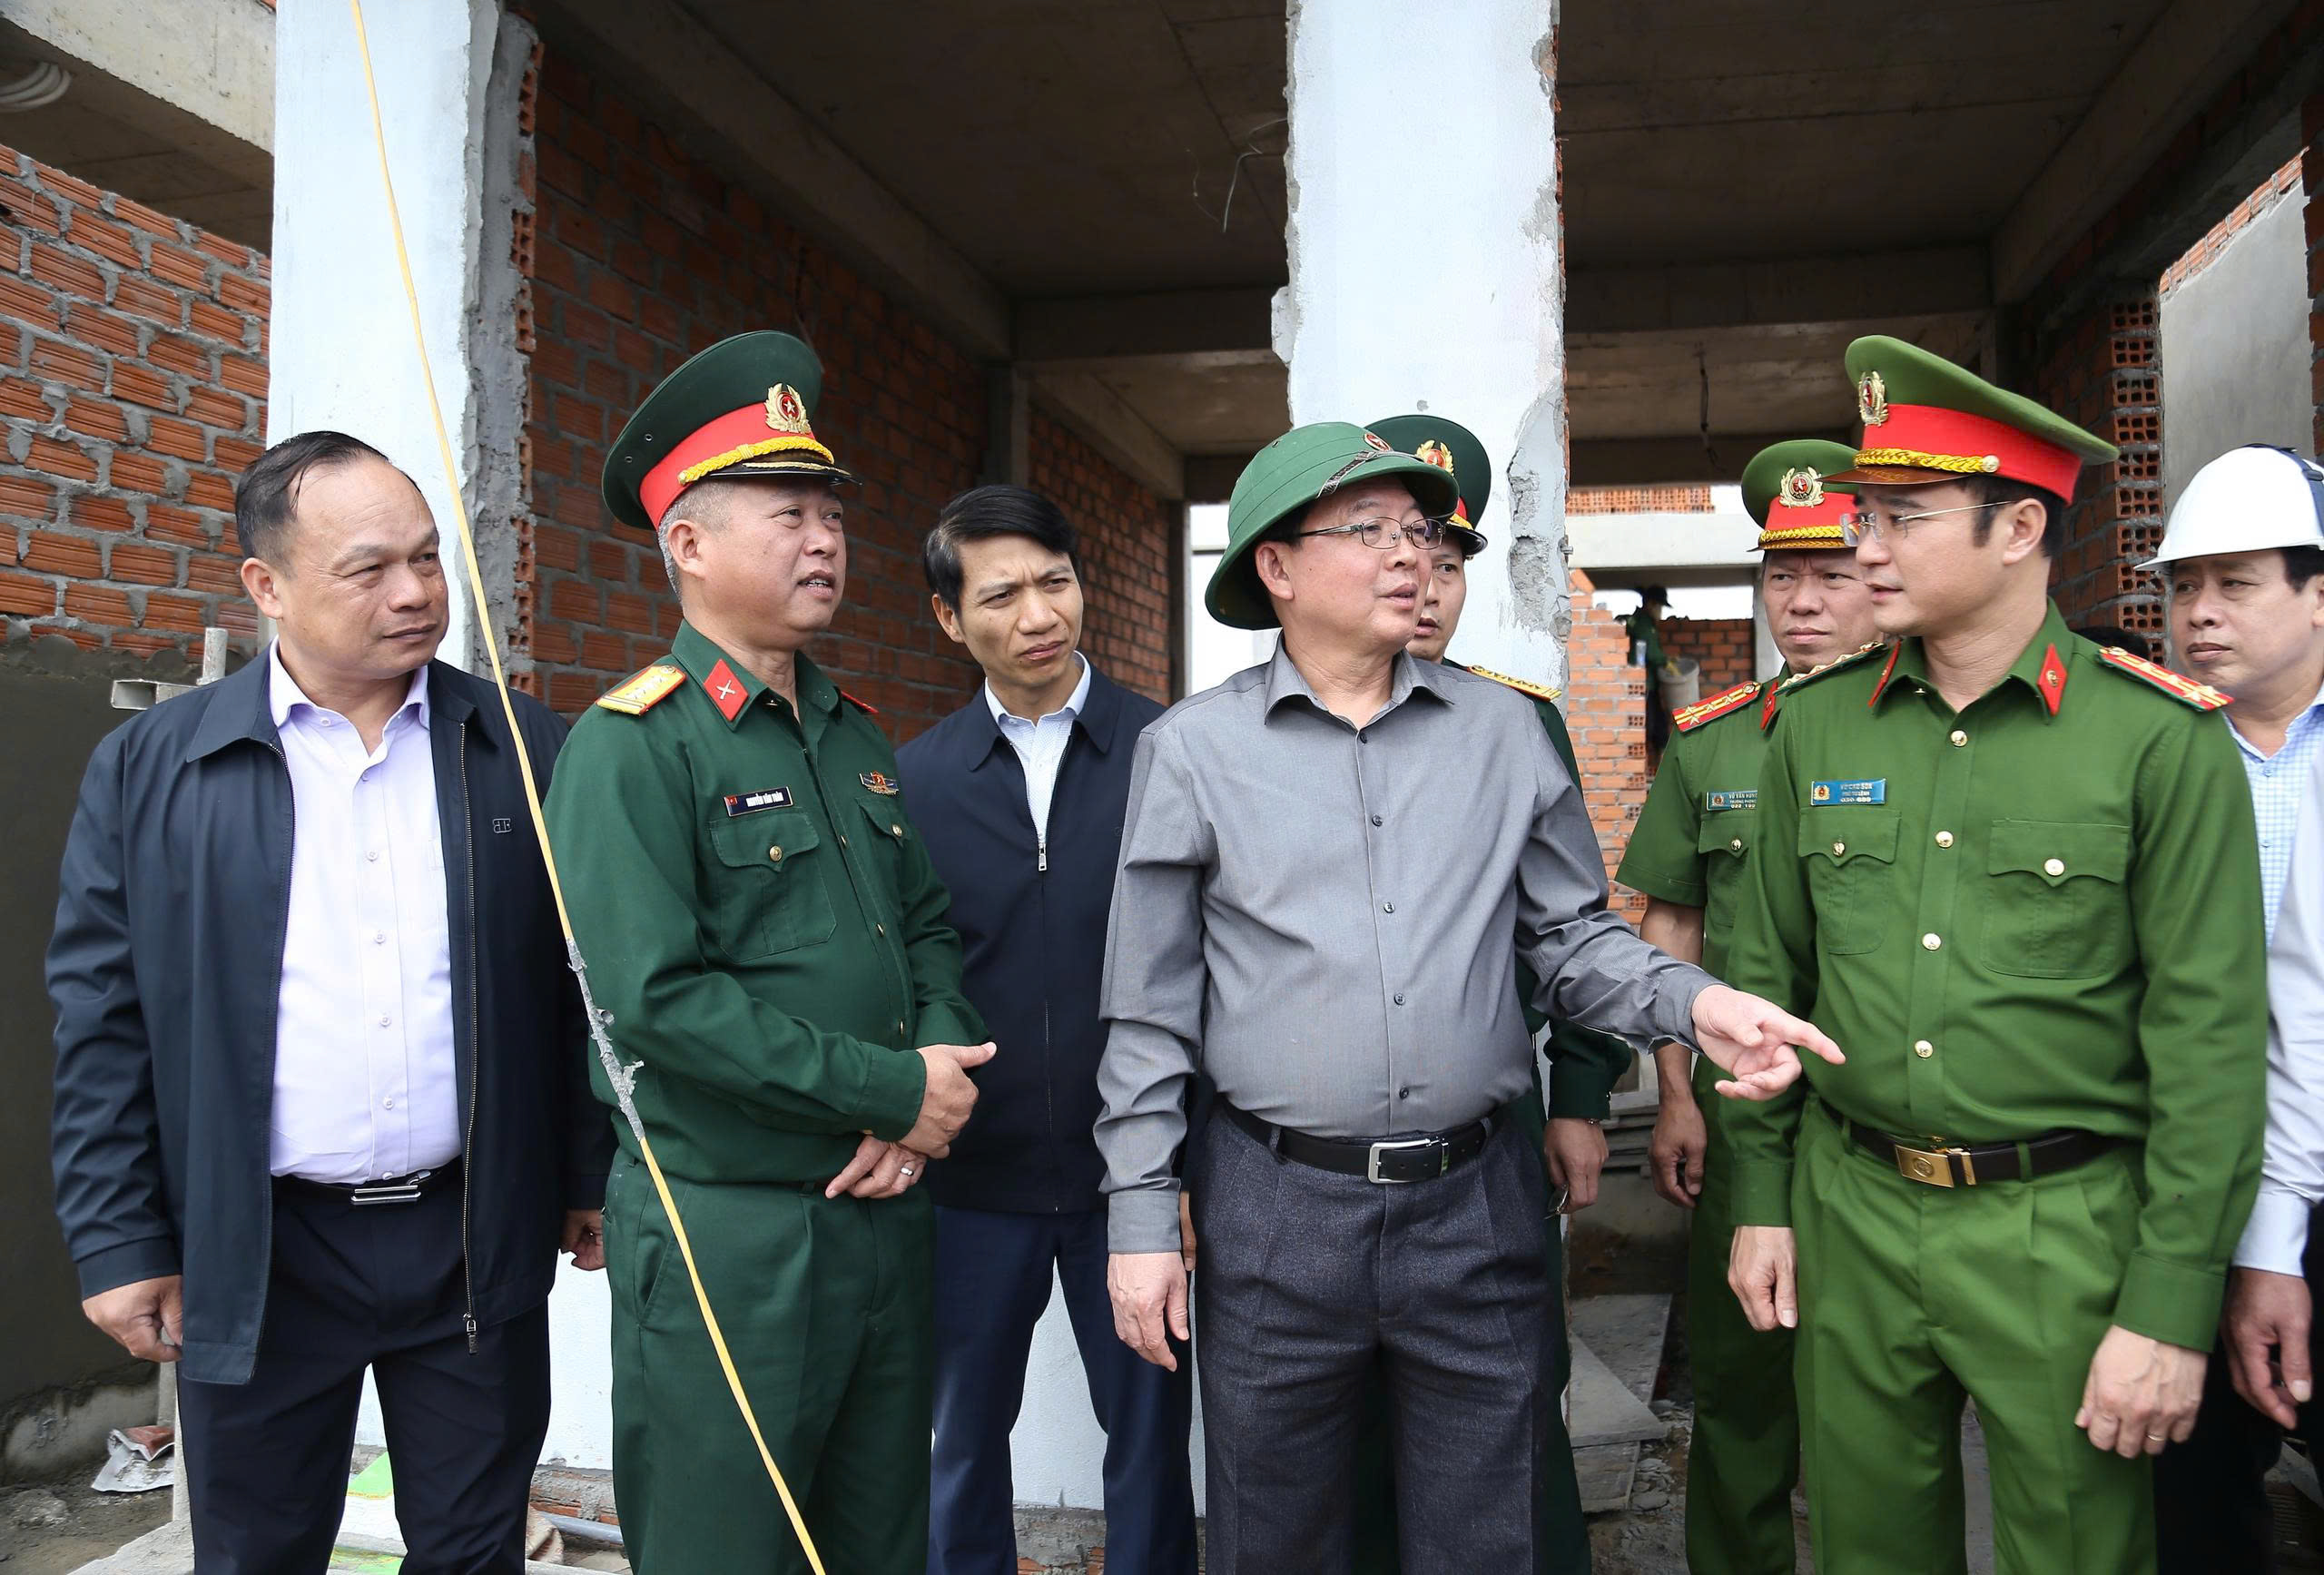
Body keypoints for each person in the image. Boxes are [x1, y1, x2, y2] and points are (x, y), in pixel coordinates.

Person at [1095, 418, 1841, 1573]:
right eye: (1369, 530)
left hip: (1474, 1207)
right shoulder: (1194, 751)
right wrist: (1142, 1217)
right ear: (1275, 567)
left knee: (1489, 1533)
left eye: (1417, 530)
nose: (1409, 555)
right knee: (1275, 1534)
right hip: (1277, 1210)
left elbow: (1571, 942)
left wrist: (1697, 1006)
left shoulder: (1500, 732)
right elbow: (1147, 1009)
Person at [1722, 335, 2270, 1574]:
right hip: (1853, 1206)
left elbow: (2210, 1046)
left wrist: (2169, 1303)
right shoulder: (1812, 728)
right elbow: (1762, 986)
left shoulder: (2157, 740)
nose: (1863, 547)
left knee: (2077, 1548)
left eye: (1901, 516)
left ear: (2019, 527)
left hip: (2064, 1226)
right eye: (1862, 514)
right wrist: (1761, 1199)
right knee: (1863, 1546)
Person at [47, 430, 610, 1574]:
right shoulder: (155, 767)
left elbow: (575, 984)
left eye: (426, 557)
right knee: (257, 1550)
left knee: (474, 1548)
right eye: (369, 568)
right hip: (259, 1246)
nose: (414, 593)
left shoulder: (517, 743)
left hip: (470, 1235)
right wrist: (117, 1235)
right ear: (267, 585)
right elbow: (102, 1017)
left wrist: (586, 1173)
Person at [543, 332, 990, 1575]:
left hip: (883, 1213)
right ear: (688, 544)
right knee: (727, 1549)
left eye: (831, 514)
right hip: (730, 1236)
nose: (826, 540)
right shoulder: (633, 745)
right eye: (789, 514)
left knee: (878, 1542)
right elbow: (653, 1002)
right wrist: (889, 1089)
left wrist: (933, 1076)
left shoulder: (853, 733)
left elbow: (926, 926)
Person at [1341, 410, 1638, 1573]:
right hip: (1315, 1151)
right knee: (1341, 1432)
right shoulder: (1247, 734)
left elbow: (1570, 926)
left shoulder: (1516, 722)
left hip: (1488, 1121)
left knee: (1508, 1408)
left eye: (1449, 563)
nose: (1423, 587)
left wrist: (1581, 1096)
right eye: (1396, 552)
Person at [892, 485, 1194, 1575]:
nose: (1037, 615)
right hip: (972, 1182)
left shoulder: (1171, 749)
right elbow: (903, 972)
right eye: (1001, 594)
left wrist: (1191, 1162)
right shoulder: (914, 779)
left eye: (1054, 582)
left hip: (1136, 1182)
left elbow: (1217, 969)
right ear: (949, 616)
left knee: (1150, 1441)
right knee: (960, 1441)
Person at [1615, 438, 1882, 1575]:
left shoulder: (1937, 731)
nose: (1803, 600)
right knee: (1739, 1388)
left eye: (1830, 571)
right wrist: (1675, 1095)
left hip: (1881, 1121)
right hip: (1744, 1117)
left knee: (1879, 1406)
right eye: (1782, 574)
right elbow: (1668, 927)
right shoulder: (1715, 738)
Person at [2142, 444, 2324, 1572]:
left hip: (2318, 1170)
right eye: (2182, 585)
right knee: (2194, 1507)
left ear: (2318, 594)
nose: (2199, 611)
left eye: (2235, 583)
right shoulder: (2149, 752)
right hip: (2183, 1180)